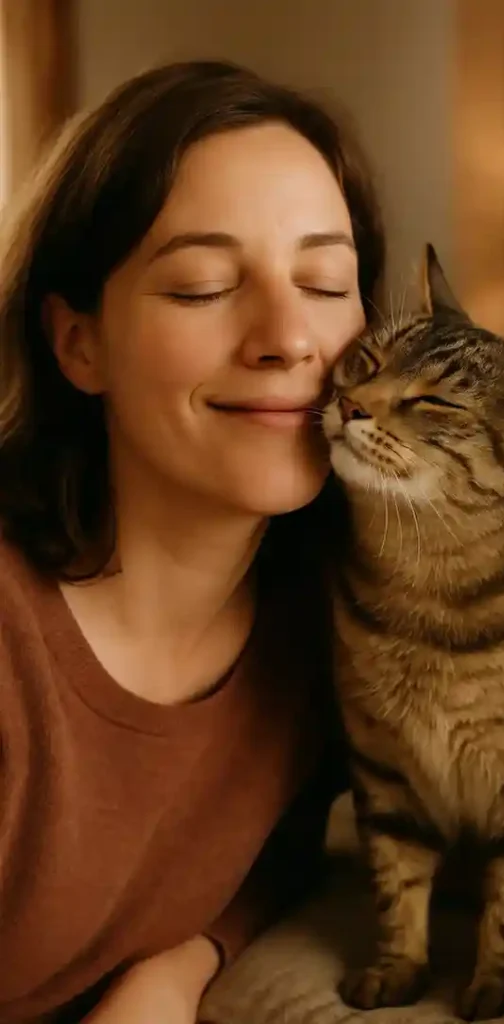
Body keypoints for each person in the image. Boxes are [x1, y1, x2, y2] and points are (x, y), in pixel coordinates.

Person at [0, 60, 384, 1024]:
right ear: (78, 344)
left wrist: (182, 965)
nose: (289, 337)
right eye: (203, 286)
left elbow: (281, 856)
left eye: (325, 280)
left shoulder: (328, 630)